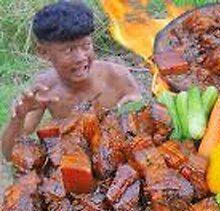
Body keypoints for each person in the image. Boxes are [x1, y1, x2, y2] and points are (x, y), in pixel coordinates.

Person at [1, 1, 142, 160]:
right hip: (71, 163)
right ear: (43, 52)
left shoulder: (117, 77)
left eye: (86, 45)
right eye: (69, 50)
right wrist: (18, 118)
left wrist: (135, 110)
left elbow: (142, 133)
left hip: (117, 160)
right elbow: (9, 154)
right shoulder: (44, 89)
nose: (81, 58)